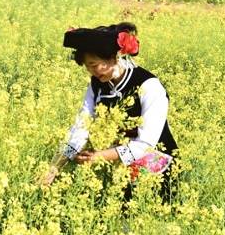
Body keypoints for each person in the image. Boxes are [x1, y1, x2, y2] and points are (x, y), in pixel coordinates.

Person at [41, 23, 177, 200]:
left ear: (115, 57)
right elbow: (81, 128)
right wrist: (55, 166)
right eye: (88, 67)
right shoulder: (97, 85)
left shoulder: (149, 86)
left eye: (94, 65)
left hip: (155, 167)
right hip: (118, 167)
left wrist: (99, 157)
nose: (92, 72)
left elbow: (145, 144)